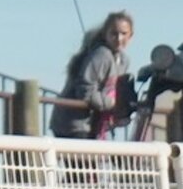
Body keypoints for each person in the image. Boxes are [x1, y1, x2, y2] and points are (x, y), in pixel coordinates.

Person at [49, 11, 135, 140]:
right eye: (114, 33)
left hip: (93, 124)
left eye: (123, 34)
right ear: (105, 33)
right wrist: (111, 103)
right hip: (74, 124)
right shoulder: (102, 55)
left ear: (131, 36)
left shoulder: (123, 60)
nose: (119, 39)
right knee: (86, 160)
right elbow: (85, 91)